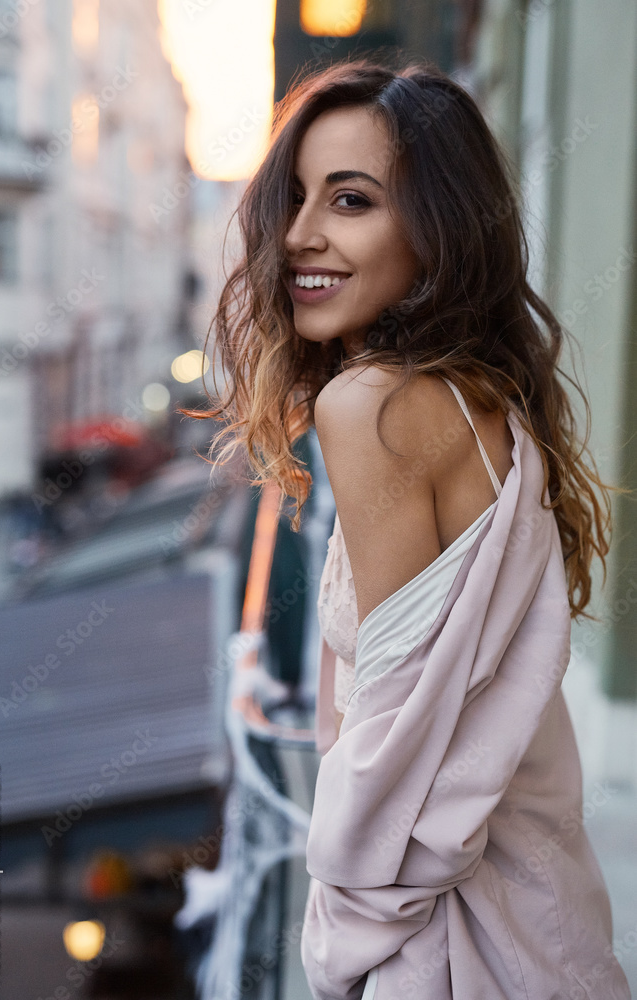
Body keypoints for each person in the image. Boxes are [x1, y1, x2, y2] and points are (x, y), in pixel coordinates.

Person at [181, 60, 632, 1000]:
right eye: (296, 199)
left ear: (437, 232)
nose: (301, 236)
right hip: (544, 910)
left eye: (351, 200)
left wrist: (337, 939)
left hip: (457, 941)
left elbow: (389, 760)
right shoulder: (485, 398)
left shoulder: (370, 406)